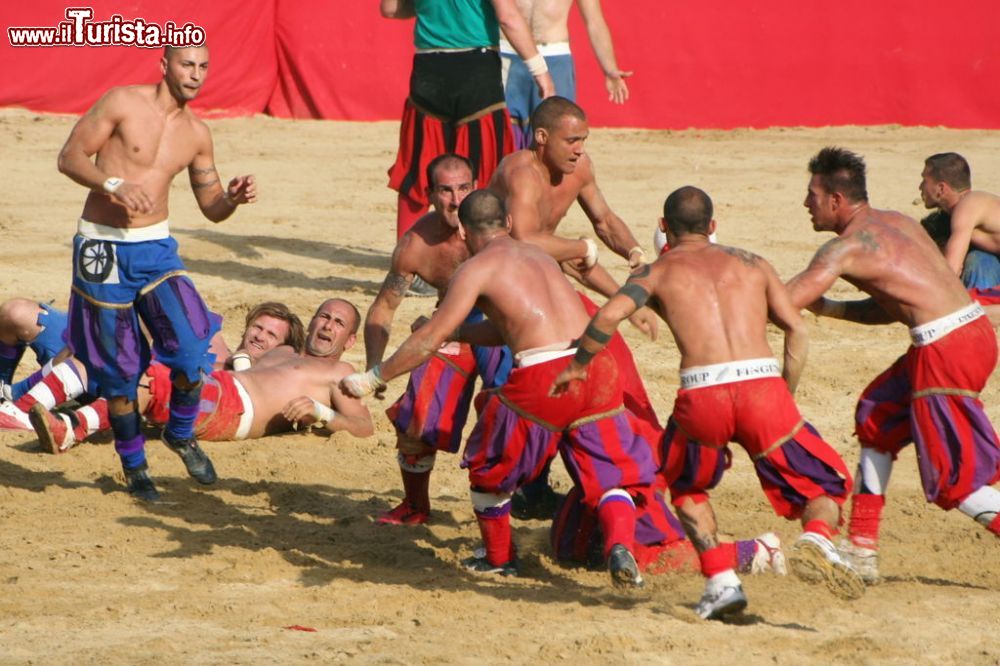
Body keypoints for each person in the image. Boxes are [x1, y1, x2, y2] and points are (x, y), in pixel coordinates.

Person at [550, 186, 862, 620]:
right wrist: (783, 393)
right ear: (713, 227)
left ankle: (720, 579)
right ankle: (817, 536)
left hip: (703, 393)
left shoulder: (656, 272)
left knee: (686, 487)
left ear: (664, 227)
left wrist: (579, 365)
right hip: (762, 388)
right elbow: (796, 330)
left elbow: (606, 317)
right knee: (823, 484)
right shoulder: (754, 264)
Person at [343, 190, 656, 589]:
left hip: (544, 376)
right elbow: (508, 325)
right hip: (595, 366)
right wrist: (460, 331)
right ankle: (618, 546)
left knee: (488, 468)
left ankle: (499, 558)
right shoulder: (540, 256)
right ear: (507, 224)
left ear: (462, 231)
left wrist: (374, 378)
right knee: (610, 473)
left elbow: (428, 341)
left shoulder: (475, 270)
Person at [786, 147, 1000, 583]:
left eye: (812, 194)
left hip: (944, 349)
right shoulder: (900, 223)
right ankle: (862, 547)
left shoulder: (842, 250)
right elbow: (898, 304)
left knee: (952, 479)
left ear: (835, 201)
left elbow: (784, 302)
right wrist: (831, 310)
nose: (805, 203)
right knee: (878, 415)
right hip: (969, 335)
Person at [54, 44, 257, 500]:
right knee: (121, 372)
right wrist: (114, 184)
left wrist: (232, 198)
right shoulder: (121, 102)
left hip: (156, 250)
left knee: (190, 350)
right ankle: (134, 466)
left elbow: (212, 208)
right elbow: (69, 157)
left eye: (205, 66)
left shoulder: (197, 133)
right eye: (188, 64)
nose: (196, 74)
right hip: (102, 246)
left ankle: (180, 434)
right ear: (163, 64)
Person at [489, 95, 661, 515]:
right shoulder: (520, 173)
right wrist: (582, 247)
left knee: (595, 365)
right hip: (495, 288)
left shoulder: (579, 168)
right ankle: (512, 487)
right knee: (506, 389)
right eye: (572, 140)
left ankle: (601, 479)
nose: (580, 148)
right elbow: (525, 240)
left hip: (544, 281)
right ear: (542, 138)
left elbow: (603, 221)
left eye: (584, 139)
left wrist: (633, 263)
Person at [364, 153, 513, 525]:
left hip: (502, 329)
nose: (456, 199)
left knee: (511, 412)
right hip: (451, 329)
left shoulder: (499, 224)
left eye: (464, 187)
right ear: (429, 194)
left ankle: (530, 495)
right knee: (418, 413)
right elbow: (383, 308)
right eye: (445, 190)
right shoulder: (416, 245)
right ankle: (416, 505)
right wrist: (373, 367)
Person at [30, 299, 372, 452]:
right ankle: (33, 406)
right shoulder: (284, 352)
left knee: (154, 379)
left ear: (350, 340)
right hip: (220, 389)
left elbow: (364, 427)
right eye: (323, 316)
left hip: (236, 410)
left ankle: (71, 429)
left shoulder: (340, 372)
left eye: (338, 323)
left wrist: (322, 412)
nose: (327, 324)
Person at [381, 0, 555, 240]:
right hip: (477, 69)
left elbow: (390, 9)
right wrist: (540, 71)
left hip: (428, 68)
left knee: (418, 171)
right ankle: (482, 247)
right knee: (485, 169)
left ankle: (407, 254)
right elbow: (507, 17)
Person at [500, 0, 632, 148]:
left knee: (554, 137)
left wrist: (609, 68)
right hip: (507, 54)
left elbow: (594, 21)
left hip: (554, 58)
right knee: (504, 137)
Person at [918, 152, 1000, 288]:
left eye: (924, 181)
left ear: (941, 188)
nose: (920, 187)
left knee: (978, 260)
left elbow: (952, 269)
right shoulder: (976, 206)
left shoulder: (968, 206)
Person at [0, 299, 69, 403]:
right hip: (76, 330)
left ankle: (13, 396)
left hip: (97, 373)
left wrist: (21, 390)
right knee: (15, 313)